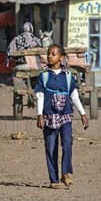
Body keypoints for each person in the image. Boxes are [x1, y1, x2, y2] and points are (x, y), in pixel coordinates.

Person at [35, 44, 89, 189]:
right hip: (49, 116)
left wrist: (83, 113)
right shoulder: (44, 76)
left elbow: (74, 96)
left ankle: (65, 173)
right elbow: (39, 96)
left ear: (61, 57)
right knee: (51, 147)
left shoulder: (68, 76)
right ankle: (54, 180)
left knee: (67, 143)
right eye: (48, 54)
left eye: (53, 54)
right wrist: (40, 115)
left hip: (65, 115)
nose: (49, 56)